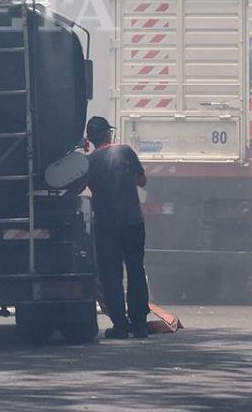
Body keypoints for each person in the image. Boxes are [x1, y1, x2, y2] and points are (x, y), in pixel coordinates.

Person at [81, 115, 149, 339]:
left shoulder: (89, 162)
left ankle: (120, 325)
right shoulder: (125, 151)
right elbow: (142, 180)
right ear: (108, 134)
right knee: (136, 270)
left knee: (111, 275)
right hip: (132, 221)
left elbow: (79, 186)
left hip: (106, 224)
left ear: (89, 140)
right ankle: (139, 324)